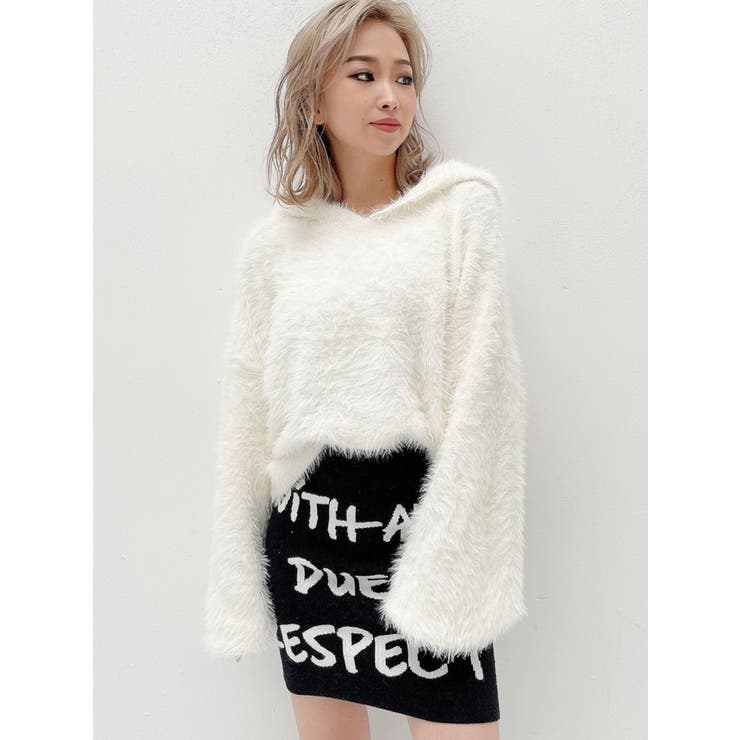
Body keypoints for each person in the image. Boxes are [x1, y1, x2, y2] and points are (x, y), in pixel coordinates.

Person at [203, 2, 528, 739]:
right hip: (311, 538)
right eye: (364, 75)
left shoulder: (459, 212)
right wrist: (236, 583)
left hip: (424, 529)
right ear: (314, 100)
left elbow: (486, 390)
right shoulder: (275, 247)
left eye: (404, 78)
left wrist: (454, 555)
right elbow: (247, 417)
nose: (391, 96)